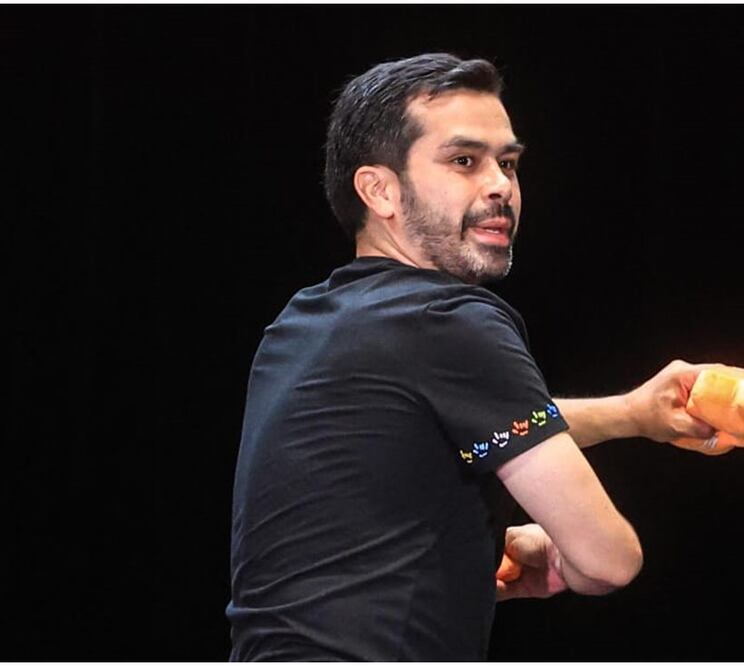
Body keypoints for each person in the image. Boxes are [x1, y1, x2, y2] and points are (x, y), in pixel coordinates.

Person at [227, 53, 718, 661]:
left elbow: (454, 430)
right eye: (464, 161)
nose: (499, 186)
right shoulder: (449, 321)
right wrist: (561, 556)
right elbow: (608, 561)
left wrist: (633, 414)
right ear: (378, 189)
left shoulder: (305, 321)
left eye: (507, 163)